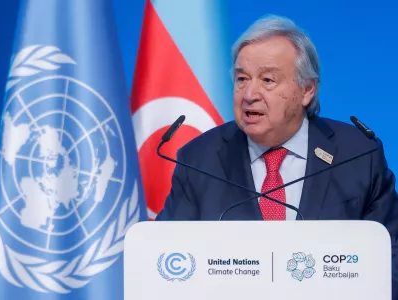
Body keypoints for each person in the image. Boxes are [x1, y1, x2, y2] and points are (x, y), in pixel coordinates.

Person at [155, 15, 398, 297]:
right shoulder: (198, 160)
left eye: (267, 80)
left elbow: (391, 255)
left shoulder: (357, 155)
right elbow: (166, 256)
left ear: (307, 89)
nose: (249, 94)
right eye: (242, 79)